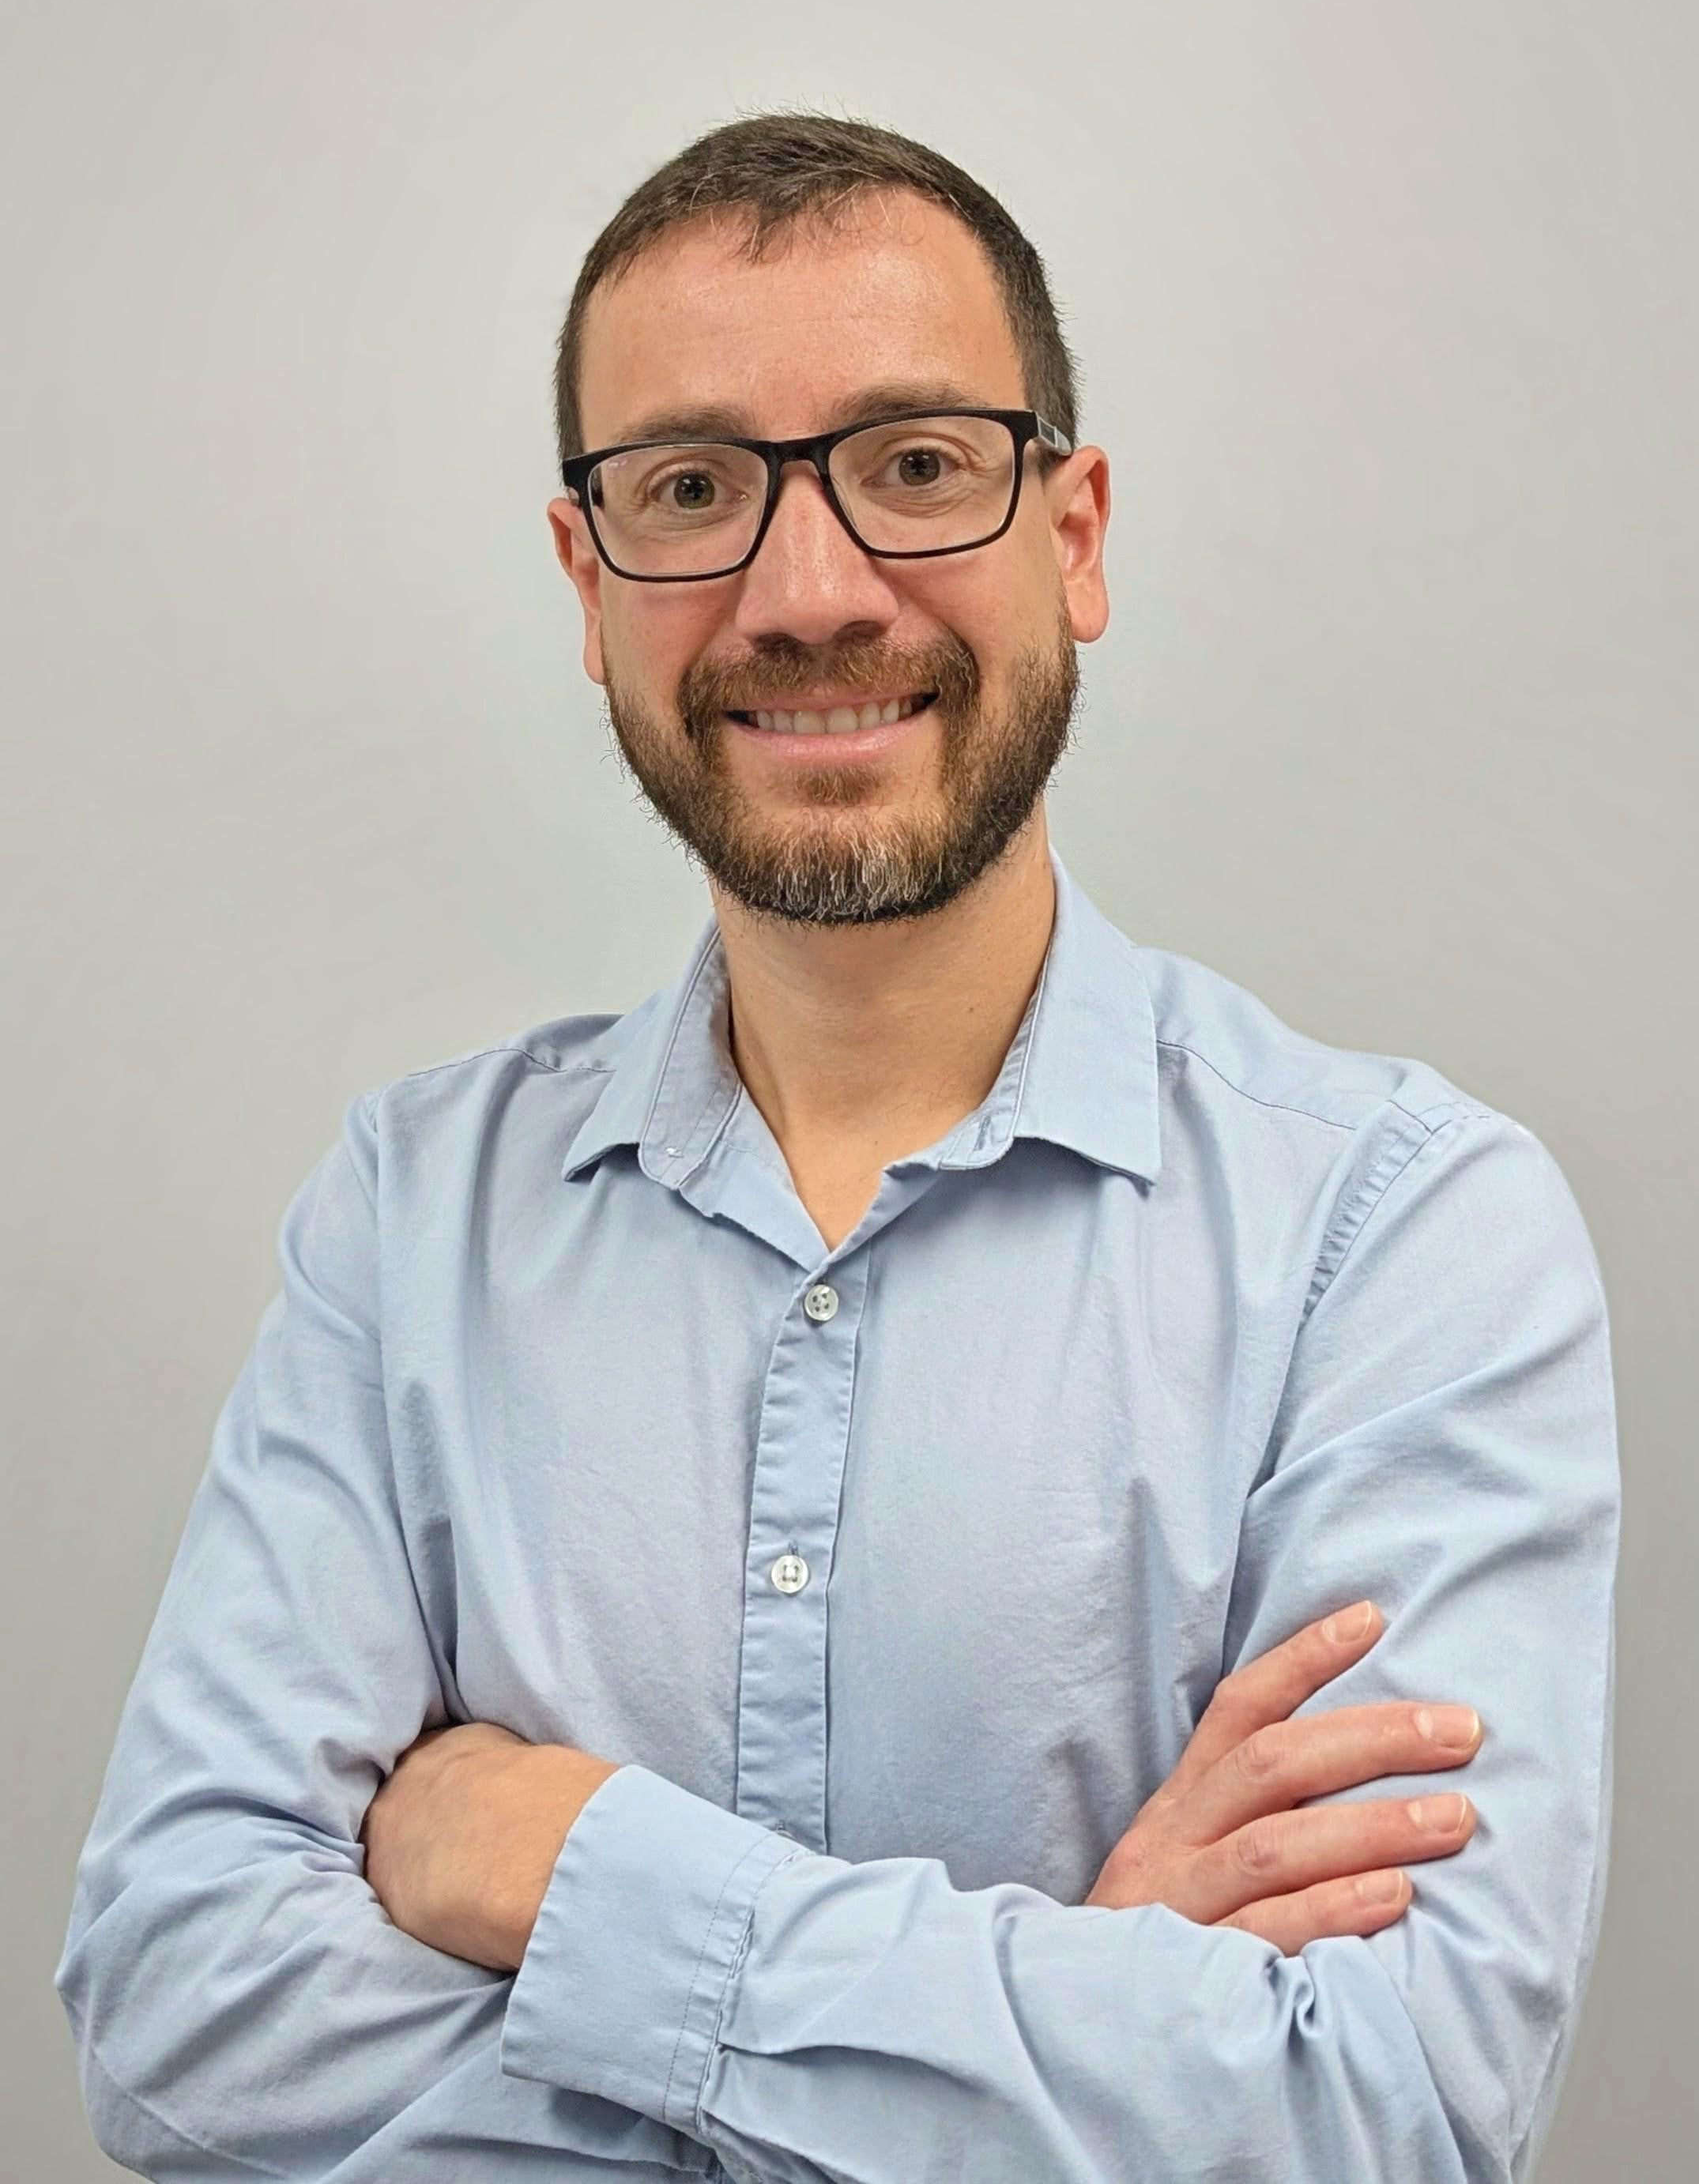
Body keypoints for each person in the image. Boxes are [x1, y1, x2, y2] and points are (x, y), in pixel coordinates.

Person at [55, 114, 1618, 2183]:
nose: (808, 592)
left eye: (914, 465)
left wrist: (566, 1872)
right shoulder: (407, 1221)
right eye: (690, 489)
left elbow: (1380, 2109)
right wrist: (1085, 2017)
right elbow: (178, 2029)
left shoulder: (1408, 1235)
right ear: (585, 581)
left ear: (1073, 532)